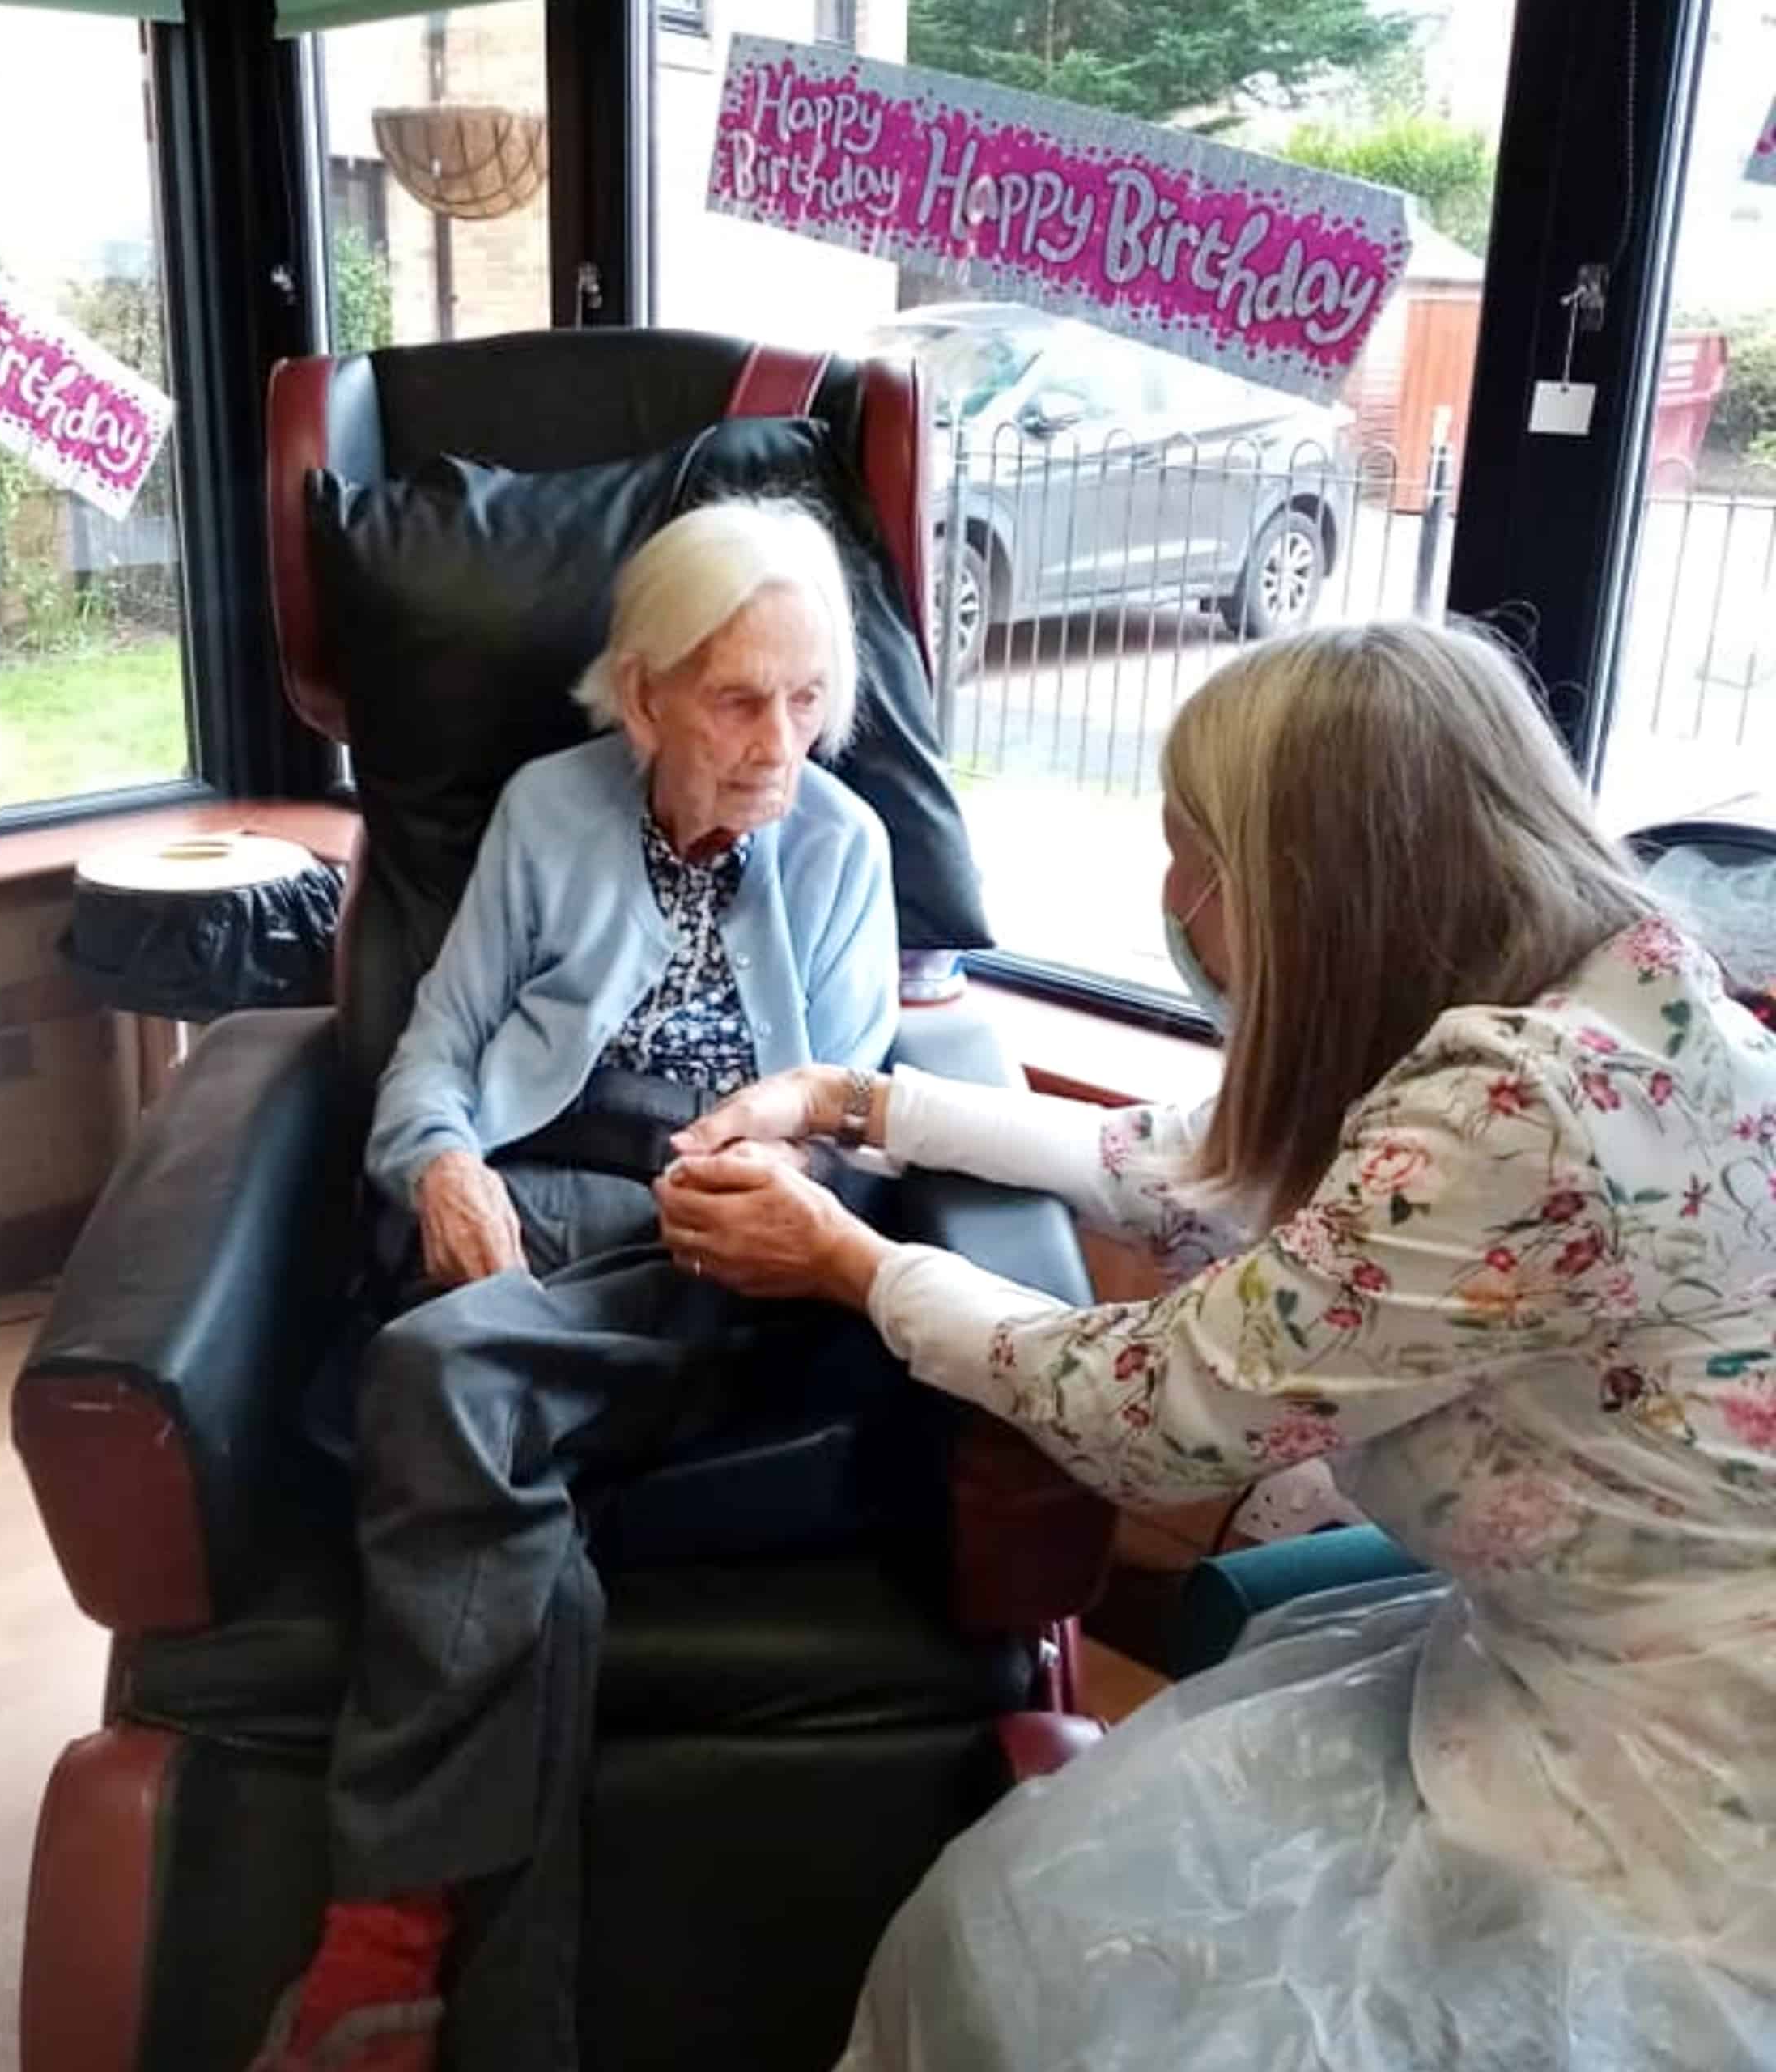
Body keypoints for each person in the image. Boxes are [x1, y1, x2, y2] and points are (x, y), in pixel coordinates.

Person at [655, 620, 1776, 2071]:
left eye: (1197, 853)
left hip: (1672, 1785)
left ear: (1317, 883)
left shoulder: (1518, 1117)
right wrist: (857, 1104)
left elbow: (1153, 1409)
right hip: (1561, 1653)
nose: (1174, 898)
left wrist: (851, 1262)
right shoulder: (1617, 974)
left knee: (1034, 1953)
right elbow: (1198, 1161)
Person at [253, 499, 899, 2072]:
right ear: (643, 693)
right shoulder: (548, 809)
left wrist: (785, 1189)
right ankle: (467, 2014)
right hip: (537, 1201)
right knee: (513, 1535)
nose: (781, 741)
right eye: (740, 697)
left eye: (808, 696)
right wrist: (438, 1167)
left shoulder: (841, 846)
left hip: (713, 1236)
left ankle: (377, 1930)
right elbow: (441, 1047)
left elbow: (854, 1109)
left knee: (423, 1375)